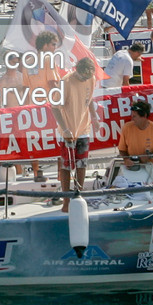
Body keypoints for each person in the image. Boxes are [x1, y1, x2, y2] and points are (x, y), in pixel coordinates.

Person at [54, 57, 97, 206]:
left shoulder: (91, 78)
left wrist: (94, 117)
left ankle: (79, 196)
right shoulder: (65, 82)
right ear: (76, 70)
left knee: (82, 163)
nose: (85, 79)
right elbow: (55, 108)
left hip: (84, 128)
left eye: (88, 77)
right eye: (83, 77)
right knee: (66, 166)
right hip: (67, 130)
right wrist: (66, 129)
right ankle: (66, 200)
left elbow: (89, 98)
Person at [115, 97, 153, 169]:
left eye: (134, 116)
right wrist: (126, 159)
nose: (132, 119)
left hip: (152, 167)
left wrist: (149, 155)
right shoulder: (127, 127)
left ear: (144, 116)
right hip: (132, 167)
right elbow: (122, 149)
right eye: (131, 116)